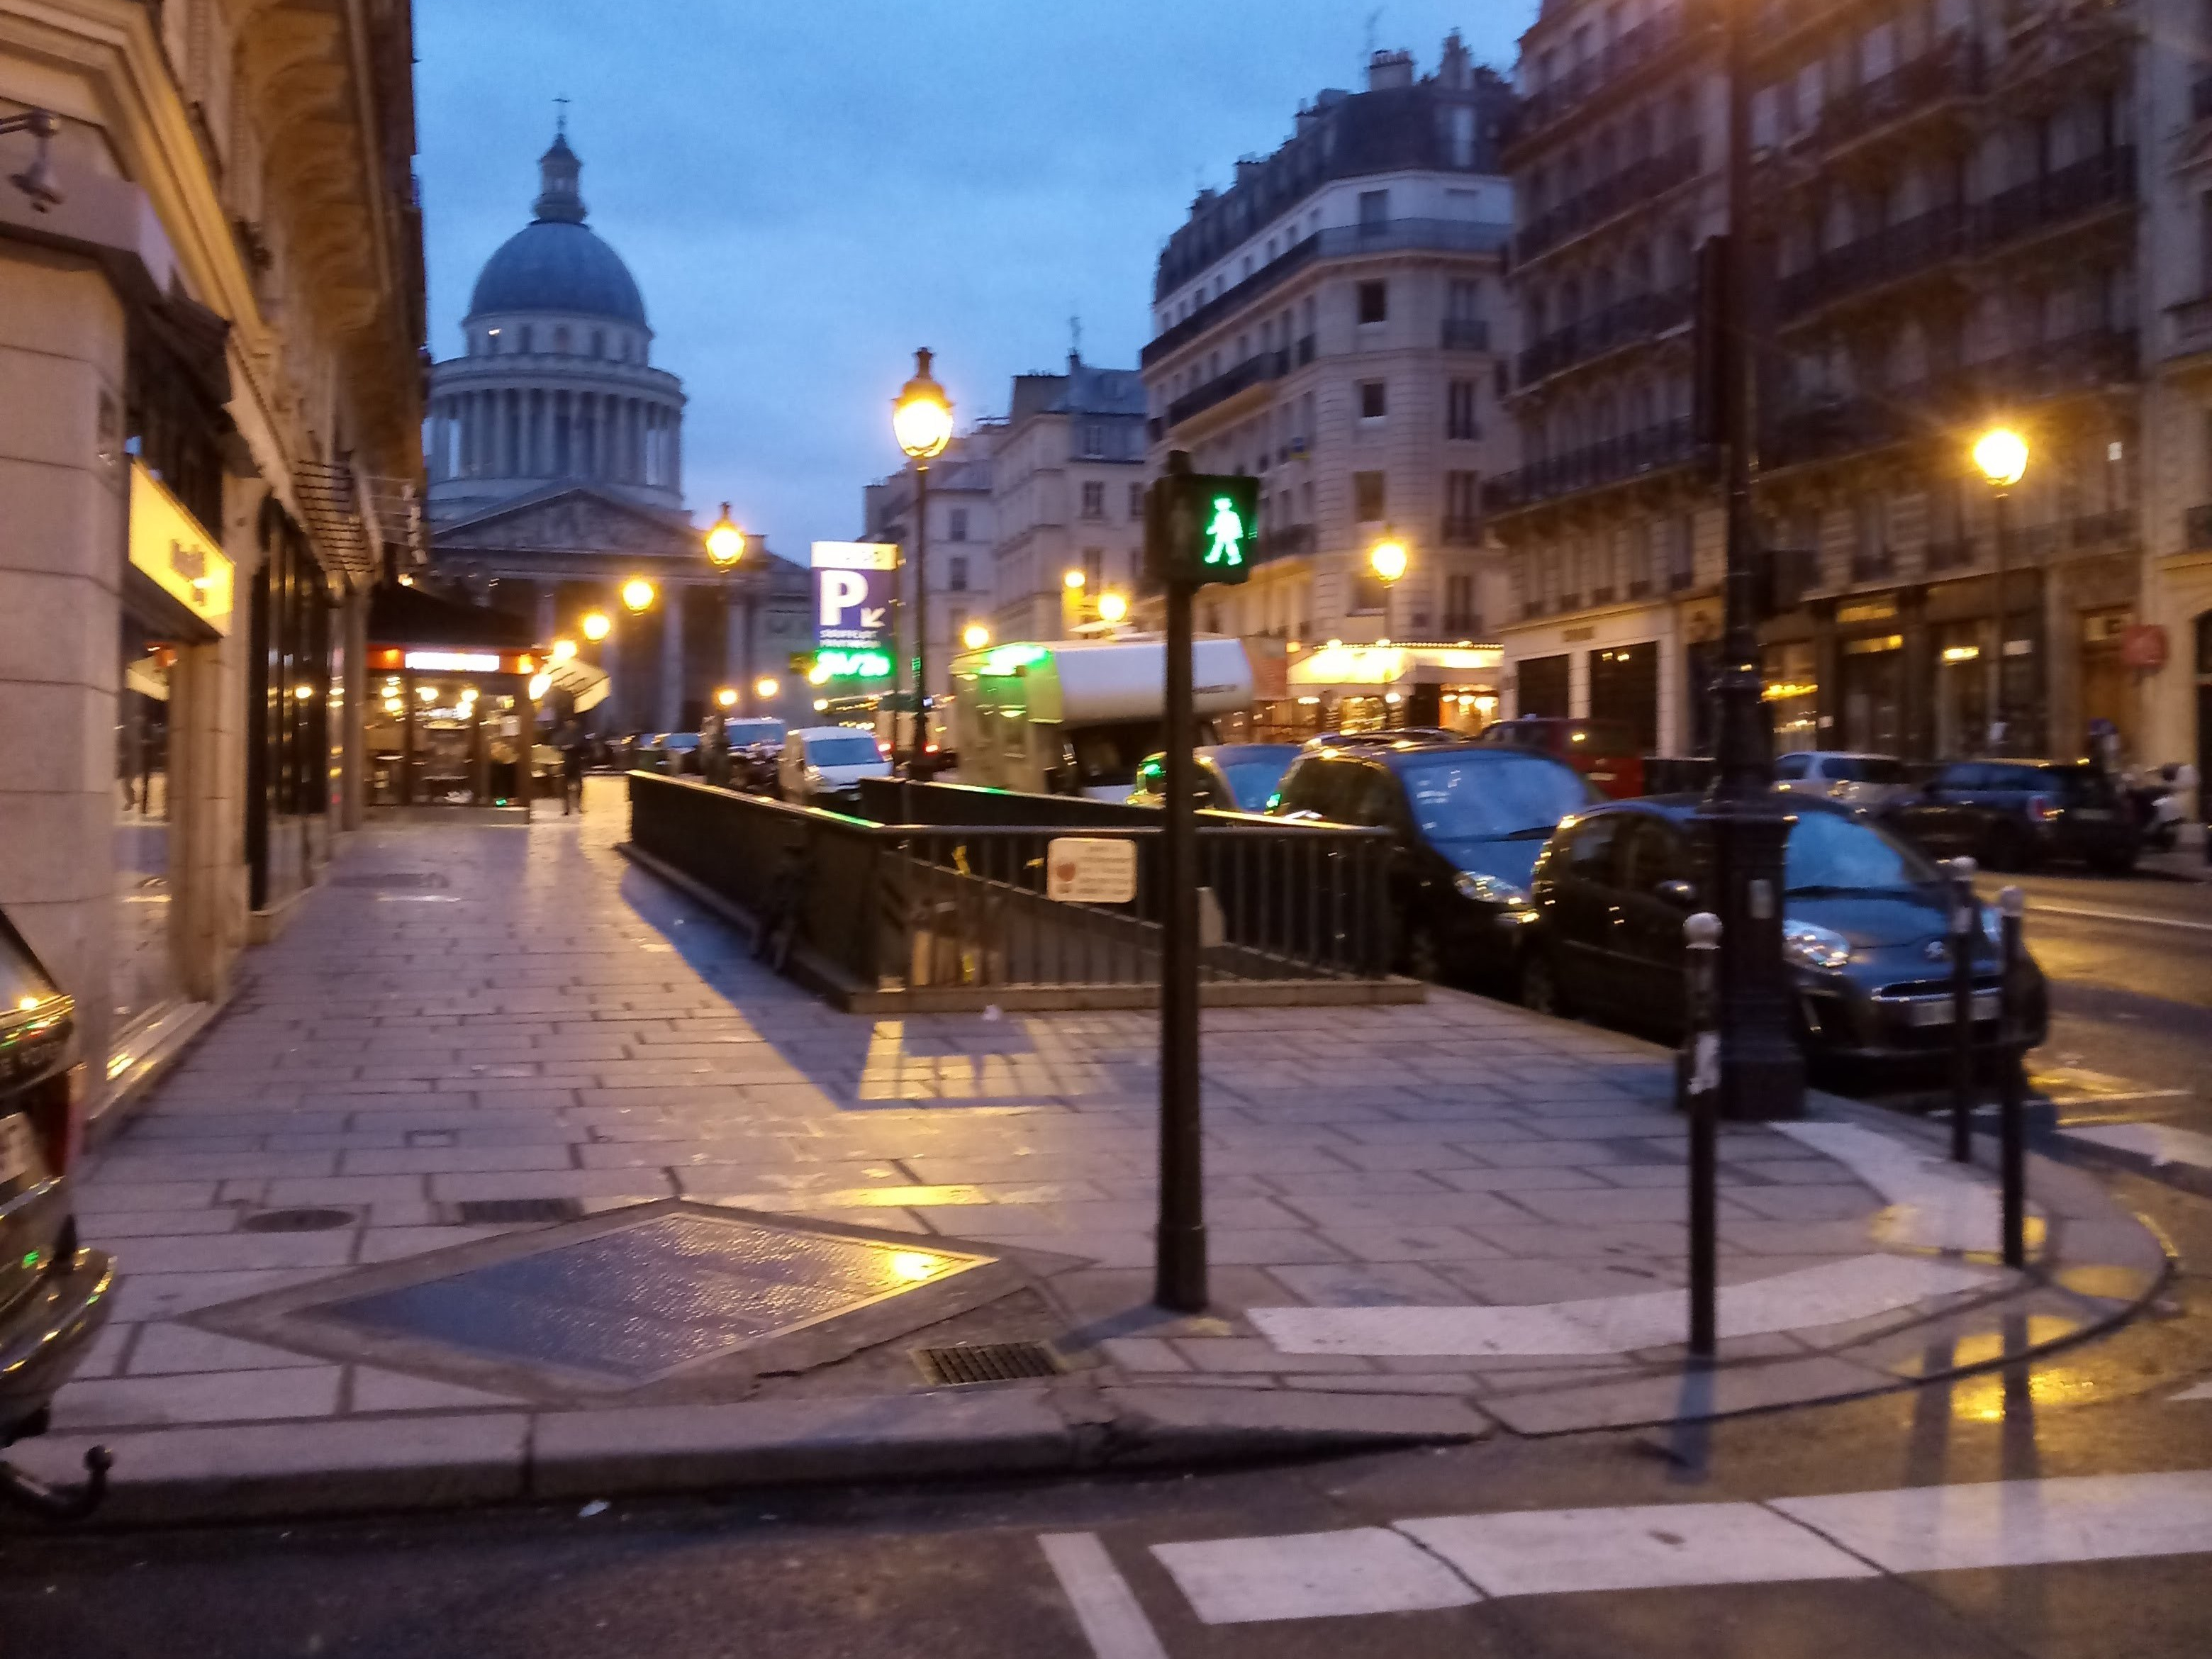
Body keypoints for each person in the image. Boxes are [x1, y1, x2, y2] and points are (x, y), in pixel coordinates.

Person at [560, 721, 587, 815]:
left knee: (579, 787)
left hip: (576, 763)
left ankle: (579, 806)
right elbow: (558, 746)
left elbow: (583, 747)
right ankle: (567, 808)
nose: (570, 724)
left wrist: (571, 747)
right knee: (565, 787)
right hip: (568, 763)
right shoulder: (564, 735)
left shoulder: (578, 735)